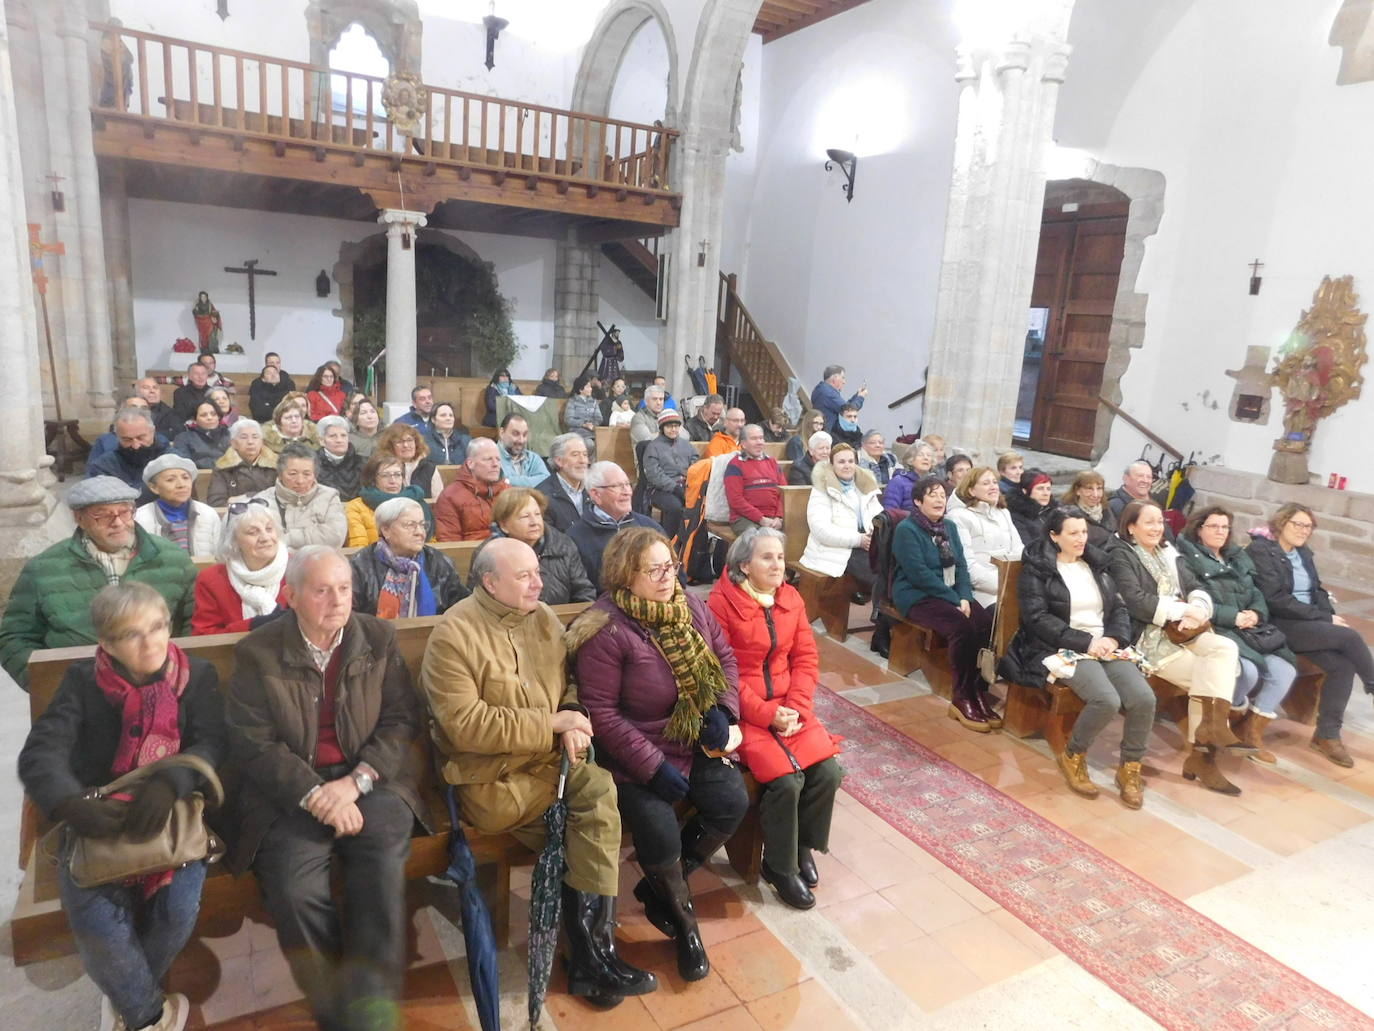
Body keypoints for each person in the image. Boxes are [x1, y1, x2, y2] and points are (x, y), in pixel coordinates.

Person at [421, 537, 655, 1005]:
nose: (539, 582)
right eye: (524, 575)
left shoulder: (544, 618)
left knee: (598, 793)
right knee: (587, 825)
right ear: (489, 582)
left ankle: (592, 953)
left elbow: (570, 679)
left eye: (537, 572)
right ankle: (589, 956)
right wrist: (553, 723)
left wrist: (570, 714)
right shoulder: (454, 634)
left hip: (552, 764)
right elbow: (467, 726)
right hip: (495, 780)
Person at [224, 546, 425, 1031]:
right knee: (295, 890)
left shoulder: (376, 637)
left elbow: (401, 721)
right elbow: (252, 743)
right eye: (321, 590)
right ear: (290, 596)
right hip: (288, 793)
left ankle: (371, 1009)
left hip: (370, 782)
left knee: (377, 873)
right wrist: (316, 794)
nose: (337, 600)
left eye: (344, 588)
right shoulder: (258, 652)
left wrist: (356, 783)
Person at [17, 582, 227, 1031]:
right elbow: (42, 752)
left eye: (158, 627)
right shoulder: (82, 681)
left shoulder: (197, 675)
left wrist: (173, 778)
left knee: (176, 910)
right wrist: (71, 803)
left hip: (172, 817)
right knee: (96, 921)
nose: (152, 643)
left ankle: (129, 1002)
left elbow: (212, 742)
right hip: (99, 816)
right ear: (107, 644)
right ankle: (148, 1014)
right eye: (133, 634)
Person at [569, 528, 747, 981]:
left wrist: (724, 710)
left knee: (730, 800)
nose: (668, 577)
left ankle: (658, 890)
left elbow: (725, 656)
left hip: (690, 737)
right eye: (654, 570)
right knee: (658, 825)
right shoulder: (605, 629)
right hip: (632, 754)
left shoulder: (688, 607)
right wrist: (652, 765)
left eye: (669, 565)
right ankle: (686, 926)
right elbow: (602, 716)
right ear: (626, 575)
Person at [709, 527, 843, 909]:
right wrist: (767, 714)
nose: (777, 565)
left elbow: (805, 658)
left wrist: (797, 707)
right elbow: (722, 673)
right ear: (743, 565)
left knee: (828, 771)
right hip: (745, 714)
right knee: (785, 781)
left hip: (790, 706)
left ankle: (802, 847)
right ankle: (778, 865)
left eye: (780, 557)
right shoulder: (722, 603)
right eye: (767, 557)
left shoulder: (790, 598)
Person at [998, 507, 1155, 808]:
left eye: (1084, 532)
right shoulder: (1039, 568)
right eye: (1073, 533)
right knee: (1106, 699)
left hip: (1104, 644)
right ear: (1054, 536)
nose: (1081, 538)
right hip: (1059, 646)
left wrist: (1113, 638)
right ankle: (1073, 755)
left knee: (1143, 698)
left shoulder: (1095, 564)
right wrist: (1087, 641)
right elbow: (1037, 618)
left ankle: (1130, 768)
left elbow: (1119, 609)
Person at [1106, 500, 1248, 794]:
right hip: (1148, 634)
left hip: (1183, 629)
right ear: (1131, 526)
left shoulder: (1168, 552)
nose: (1157, 527)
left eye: (1160, 521)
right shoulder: (1121, 554)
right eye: (1149, 522)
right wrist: (1179, 611)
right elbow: (1135, 601)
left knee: (1225, 648)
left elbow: (1196, 584)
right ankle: (1203, 757)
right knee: (1206, 676)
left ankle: (1214, 729)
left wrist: (1196, 607)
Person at [0, 478, 197, 688]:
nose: (118, 522)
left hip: (160, 684)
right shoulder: (43, 568)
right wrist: (48, 685)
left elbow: (192, 624)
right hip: (75, 690)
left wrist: (177, 677)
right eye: (102, 514)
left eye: (125, 511)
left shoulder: (173, 559)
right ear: (79, 518)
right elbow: (15, 636)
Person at [1248, 503, 1374, 768]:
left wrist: (1328, 614)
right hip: (1280, 623)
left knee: (1343, 664)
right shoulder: (1262, 550)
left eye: (1308, 526)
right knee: (1350, 638)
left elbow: (1317, 590)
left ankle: (1327, 736)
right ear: (1281, 523)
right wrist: (1325, 619)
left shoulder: (1302, 553)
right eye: (1297, 524)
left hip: (1307, 624)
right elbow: (1275, 599)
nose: (1303, 531)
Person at [1177, 506, 1299, 764]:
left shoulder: (1237, 557)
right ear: (1199, 530)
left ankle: (1250, 731)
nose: (1220, 532)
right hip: (1219, 628)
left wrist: (1255, 613)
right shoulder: (1187, 559)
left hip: (1251, 629)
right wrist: (1233, 616)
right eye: (1213, 526)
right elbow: (1195, 599)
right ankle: (1220, 724)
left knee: (1285, 670)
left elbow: (1256, 592)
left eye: (1224, 527)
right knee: (1248, 672)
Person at [891, 476, 997, 732]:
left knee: (985, 622)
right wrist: (955, 600)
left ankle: (978, 690)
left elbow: (961, 565)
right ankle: (961, 697)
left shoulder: (949, 526)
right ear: (918, 501)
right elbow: (919, 574)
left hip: (950, 591)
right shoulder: (907, 530)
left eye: (942, 495)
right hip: (916, 594)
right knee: (961, 626)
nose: (939, 499)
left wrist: (964, 595)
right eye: (932, 495)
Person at [475, 487, 596, 604]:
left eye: (537, 514)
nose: (534, 522)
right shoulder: (486, 554)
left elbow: (584, 592)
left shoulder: (563, 545)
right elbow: (480, 601)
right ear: (504, 525)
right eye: (525, 516)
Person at [350, 497, 466, 617]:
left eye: (422, 525)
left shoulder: (438, 562)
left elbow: (460, 607)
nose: (420, 532)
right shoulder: (360, 566)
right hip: (376, 634)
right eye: (410, 525)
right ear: (386, 530)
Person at [192, 499, 290, 634]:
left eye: (269, 529)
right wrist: (250, 625)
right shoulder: (211, 579)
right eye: (253, 532)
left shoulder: (298, 569)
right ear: (233, 541)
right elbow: (203, 636)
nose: (265, 537)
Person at [799, 443, 881, 592]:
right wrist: (859, 540)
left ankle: (884, 612)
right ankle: (881, 612)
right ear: (832, 465)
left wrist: (875, 535)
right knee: (879, 578)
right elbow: (821, 530)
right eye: (841, 462)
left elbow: (879, 517)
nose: (847, 466)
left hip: (867, 545)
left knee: (897, 568)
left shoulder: (865, 486)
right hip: (835, 550)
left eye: (851, 461)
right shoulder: (821, 490)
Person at [567, 461, 662, 585]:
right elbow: (581, 589)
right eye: (617, 486)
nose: (627, 492)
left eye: (627, 484)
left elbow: (675, 572)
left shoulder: (649, 527)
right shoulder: (575, 537)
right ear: (596, 494)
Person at [946, 465, 1023, 608]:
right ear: (971, 490)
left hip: (1012, 585)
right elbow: (967, 564)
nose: (993, 487)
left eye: (994, 482)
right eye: (986, 483)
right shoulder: (958, 516)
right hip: (982, 592)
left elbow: (1018, 549)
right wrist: (1002, 585)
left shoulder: (1003, 512)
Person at [252, 442, 348, 549]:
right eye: (292, 474)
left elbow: (335, 537)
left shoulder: (329, 496)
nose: (300, 481)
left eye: (307, 474)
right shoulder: (262, 501)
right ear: (280, 474)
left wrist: (289, 538)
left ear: (314, 475)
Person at [135, 454, 222, 558]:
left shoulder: (208, 513)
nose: (181, 485)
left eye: (185, 478)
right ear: (154, 487)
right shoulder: (140, 518)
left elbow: (219, 555)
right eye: (170, 480)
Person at [346, 453, 433, 547]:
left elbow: (432, 542)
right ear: (373, 479)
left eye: (397, 475)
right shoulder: (356, 507)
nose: (392, 481)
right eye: (385, 475)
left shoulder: (417, 503)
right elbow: (358, 547)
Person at [434, 438, 509, 542]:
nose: (495, 464)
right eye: (488, 459)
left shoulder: (508, 492)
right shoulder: (450, 496)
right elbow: (449, 542)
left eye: (498, 459)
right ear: (470, 463)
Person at [87, 407, 169, 503]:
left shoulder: (171, 459)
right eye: (127, 440)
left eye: (140, 438)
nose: (135, 445)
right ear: (117, 436)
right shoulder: (104, 465)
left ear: (152, 432)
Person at [642, 408, 696, 540]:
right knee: (675, 507)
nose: (673, 429)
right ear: (662, 428)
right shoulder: (653, 447)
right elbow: (654, 474)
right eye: (669, 426)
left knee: (698, 507)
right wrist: (675, 487)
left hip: (686, 485)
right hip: (660, 489)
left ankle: (688, 542)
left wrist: (689, 482)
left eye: (676, 426)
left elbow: (695, 465)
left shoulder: (686, 445)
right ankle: (667, 541)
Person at [724, 424, 786, 535]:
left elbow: (784, 493)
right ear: (743, 444)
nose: (759, 442)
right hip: (745, 518)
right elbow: (735, 500)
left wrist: (779, 517)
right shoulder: (735, 465)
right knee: (758, 540)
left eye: (761, 438)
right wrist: (761, 519)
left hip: (774, 518)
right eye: (754, 439)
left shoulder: (772, 462)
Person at [208, 418, 277, 506]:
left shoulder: (275, 465)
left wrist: (244, 498)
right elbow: (216, 503)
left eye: (255, 437)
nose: (250, 442)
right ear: (233, 443)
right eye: (244, 437)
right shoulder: (223, 468)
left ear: (262, 442)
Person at [535, 432, 590, 532]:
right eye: (575, 455)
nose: (583, 460)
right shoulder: (542, 496)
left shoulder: (594, 490)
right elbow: (550, 541)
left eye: (585, 454)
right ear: (559, 461)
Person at [375, 422, 442, 498]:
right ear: (390, 446)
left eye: (409, 440)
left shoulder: (429, 468)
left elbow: (438, 500)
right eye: (399, 442)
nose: (406, 445)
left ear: (416, 443)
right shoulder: (383, 468)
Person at [1059, 469, 1117, 548]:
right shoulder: (1068, 514)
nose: (1095, 495)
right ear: (1077, 491)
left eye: (1099, 488)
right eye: (1089, 489)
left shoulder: (1106, 509)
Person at [314, 414, 364, 502]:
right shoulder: (312, 463)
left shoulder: (361, 463)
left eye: (343, 435)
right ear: (321, 440)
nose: (339, 440)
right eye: (333, 436)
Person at [170, 400, 230, 469]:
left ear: (218, 417)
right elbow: (184, 463)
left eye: (213, 414)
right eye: (203, 415)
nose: (210, 418)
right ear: (194, 419)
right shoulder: (183, 438)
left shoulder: (228, 435)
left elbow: (236, 460)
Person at [497, 412, 550, 487]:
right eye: (515, 434)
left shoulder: (533, 458)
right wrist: (532, 481)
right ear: (502, 433)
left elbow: (547, 481)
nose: (521, 440)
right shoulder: (490, 457)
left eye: (524, 435)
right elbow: (496, 485)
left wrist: (509, 481)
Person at [882, 440, 935, 514]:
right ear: (910, 460)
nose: (926, 458)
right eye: (920, 455)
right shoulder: (898, 481)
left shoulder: (935, 484)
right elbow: (890, 512)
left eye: (929, 455)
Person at [810, 365, 868, 432]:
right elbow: (848, 411)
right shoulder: (828, 393)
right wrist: (861, 397)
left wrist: (857, 395)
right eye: (843, 378)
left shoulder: (823, 389)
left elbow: (846, 406)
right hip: (828, 434)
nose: (844, 382)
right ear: (835, 378)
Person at [1008, 468, 1056, 545]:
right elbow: (1028, 548)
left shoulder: (1055, 511)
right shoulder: (1017, 517)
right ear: (1025, 491)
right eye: (1040, 489)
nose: (1046, 493)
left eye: (1048, 489)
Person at [135, 376, 185, 441]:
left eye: (155, 388)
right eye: (146, 388)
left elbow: (180, 433)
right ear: (137, 392)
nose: (152, 391)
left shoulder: (169, 413)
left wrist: (148, 434)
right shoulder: (129, 409)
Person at [564, 374, 603, 452]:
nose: (591, 389)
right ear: (581, 389)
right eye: (588, 387)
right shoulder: (573, 401)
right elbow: (568, 419)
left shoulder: (593, 401)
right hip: (577, 432)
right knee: (590, 445)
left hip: (592, 432)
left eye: (590, 387)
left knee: (602, 444)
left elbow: (599, 418)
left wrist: (593, 425)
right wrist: (583, 424)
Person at [424, 401, 469, 465]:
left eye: (451, 415)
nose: (448, 418)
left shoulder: (465, 440)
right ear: (433, 419)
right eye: (443, 415)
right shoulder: (424, 441)